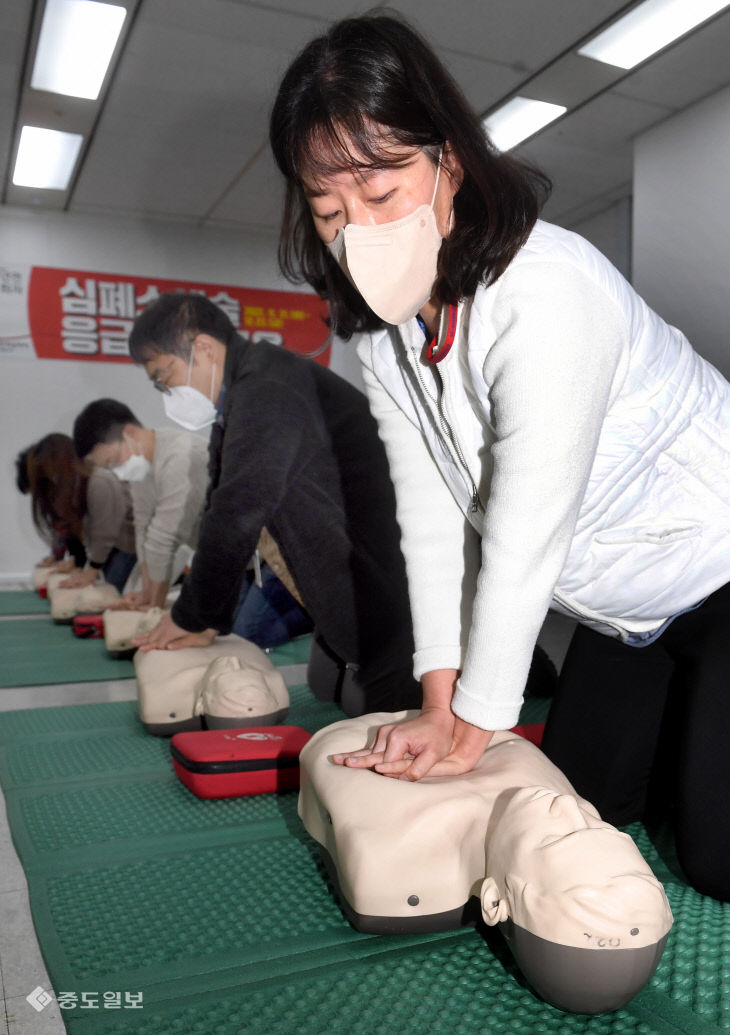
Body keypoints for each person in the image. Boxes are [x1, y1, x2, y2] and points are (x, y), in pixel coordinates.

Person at [269, 13, 730, 900]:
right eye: (330, 211)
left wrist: (474, 732)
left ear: (449, 158)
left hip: (718, 563)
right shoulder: (385, 336)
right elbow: (434, 525)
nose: (358, 232)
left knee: (712, 856)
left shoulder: (547, 289)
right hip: (626, 612)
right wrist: (441, 705)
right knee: (581, 808)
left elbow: (524, 533)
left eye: (382, 191)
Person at [126, 292, 421, 717]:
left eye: (163, 376)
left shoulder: (267, 387)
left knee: (390, 718)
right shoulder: (240, 396)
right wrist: (209, 617)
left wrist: (191, 616)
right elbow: (220, 504)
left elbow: (237, 512)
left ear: (203, 348)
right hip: (356, 565)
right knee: (336, 684)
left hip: (386, 574)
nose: (166, 391)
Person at [73, 398, 208, 609]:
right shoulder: (141, 470)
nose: (116, 470)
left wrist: (153, 606)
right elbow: (144, 530)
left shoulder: (180, 457)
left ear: (131, 433)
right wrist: (147, 594)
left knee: (245, 631)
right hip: (221, 556)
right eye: (109, 467)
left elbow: (165, 538)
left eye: (114, 460)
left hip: (259, 554)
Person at [23, 433, 136, 592]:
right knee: (97, 585)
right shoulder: (69, 487)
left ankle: (176, 577)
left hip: (131, 543)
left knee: (108, 590)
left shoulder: (99, 481)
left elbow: (105, 532)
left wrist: (91, 570)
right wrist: (78, 561)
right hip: (113, 544)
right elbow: (71, 527)